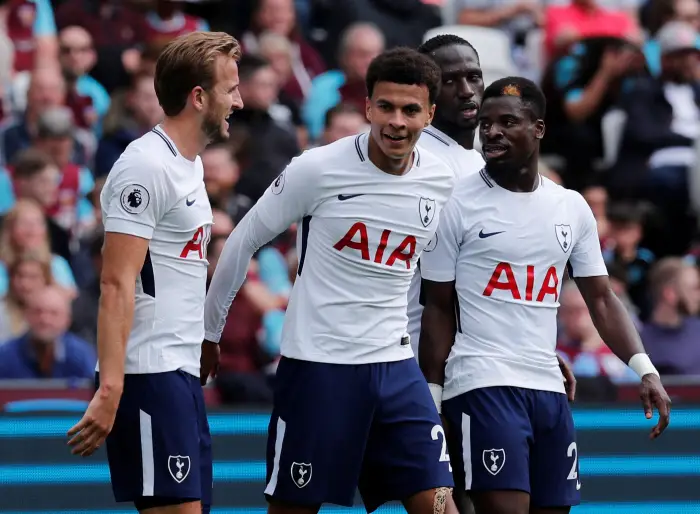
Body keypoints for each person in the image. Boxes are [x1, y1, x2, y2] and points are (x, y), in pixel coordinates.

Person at [204, 47, 458, 514]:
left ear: (430, 114)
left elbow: (449, 285)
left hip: (396, 369)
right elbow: (242, 240)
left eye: (410, 109)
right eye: (385, 106)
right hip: (318, 368)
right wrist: (210, 331)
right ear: (367, 106)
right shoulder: (316, 168)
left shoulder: (443, 181)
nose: (396, 121)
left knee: (441, 504)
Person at [418, 76, 672, 514]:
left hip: (549, 390)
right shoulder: (456, 203)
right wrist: (433, 397)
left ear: (537, 129)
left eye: (507, 122)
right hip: (482, 383)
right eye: (486, 123)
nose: (492, 132)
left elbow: (602, 299)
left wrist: (644, 369)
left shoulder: (570, 206)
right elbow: (438, 306)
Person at [65, 31, 244, 514]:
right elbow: (115, 282)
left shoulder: (186, 164)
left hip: (179, 373)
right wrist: (110, 388)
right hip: (148, 376)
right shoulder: (145, 166)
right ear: (199, 96)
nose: (239, 100)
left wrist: (202, 339)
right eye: (230, 89)